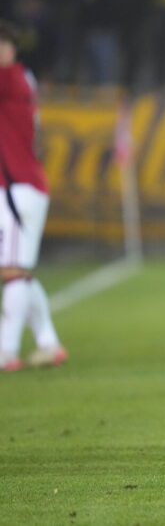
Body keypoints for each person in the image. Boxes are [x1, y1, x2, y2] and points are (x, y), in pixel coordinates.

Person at [0, 21, 67, 372]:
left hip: (17, 187)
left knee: (13, 272)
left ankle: (5, 352)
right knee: (21, 272)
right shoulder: (23, 77)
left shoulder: (9, 78)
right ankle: (48, 344)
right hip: (25, 184)